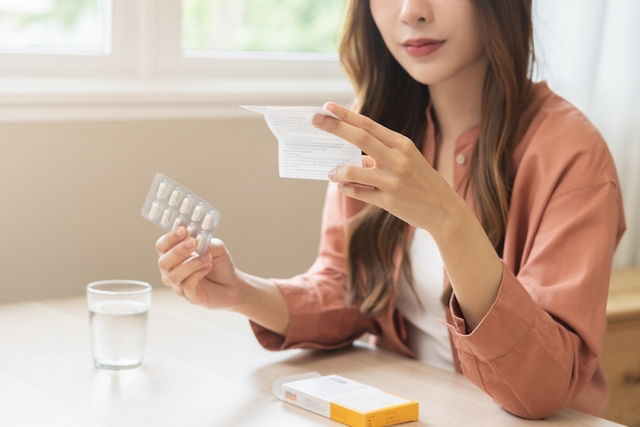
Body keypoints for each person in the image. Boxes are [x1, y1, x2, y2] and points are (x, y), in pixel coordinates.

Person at [154, 0, 626, 420]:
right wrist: (241, 292)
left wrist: (448, 220)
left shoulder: (572, 153)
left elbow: (542, 387)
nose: (410, 12)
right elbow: (348, 291)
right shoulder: (377, 129)